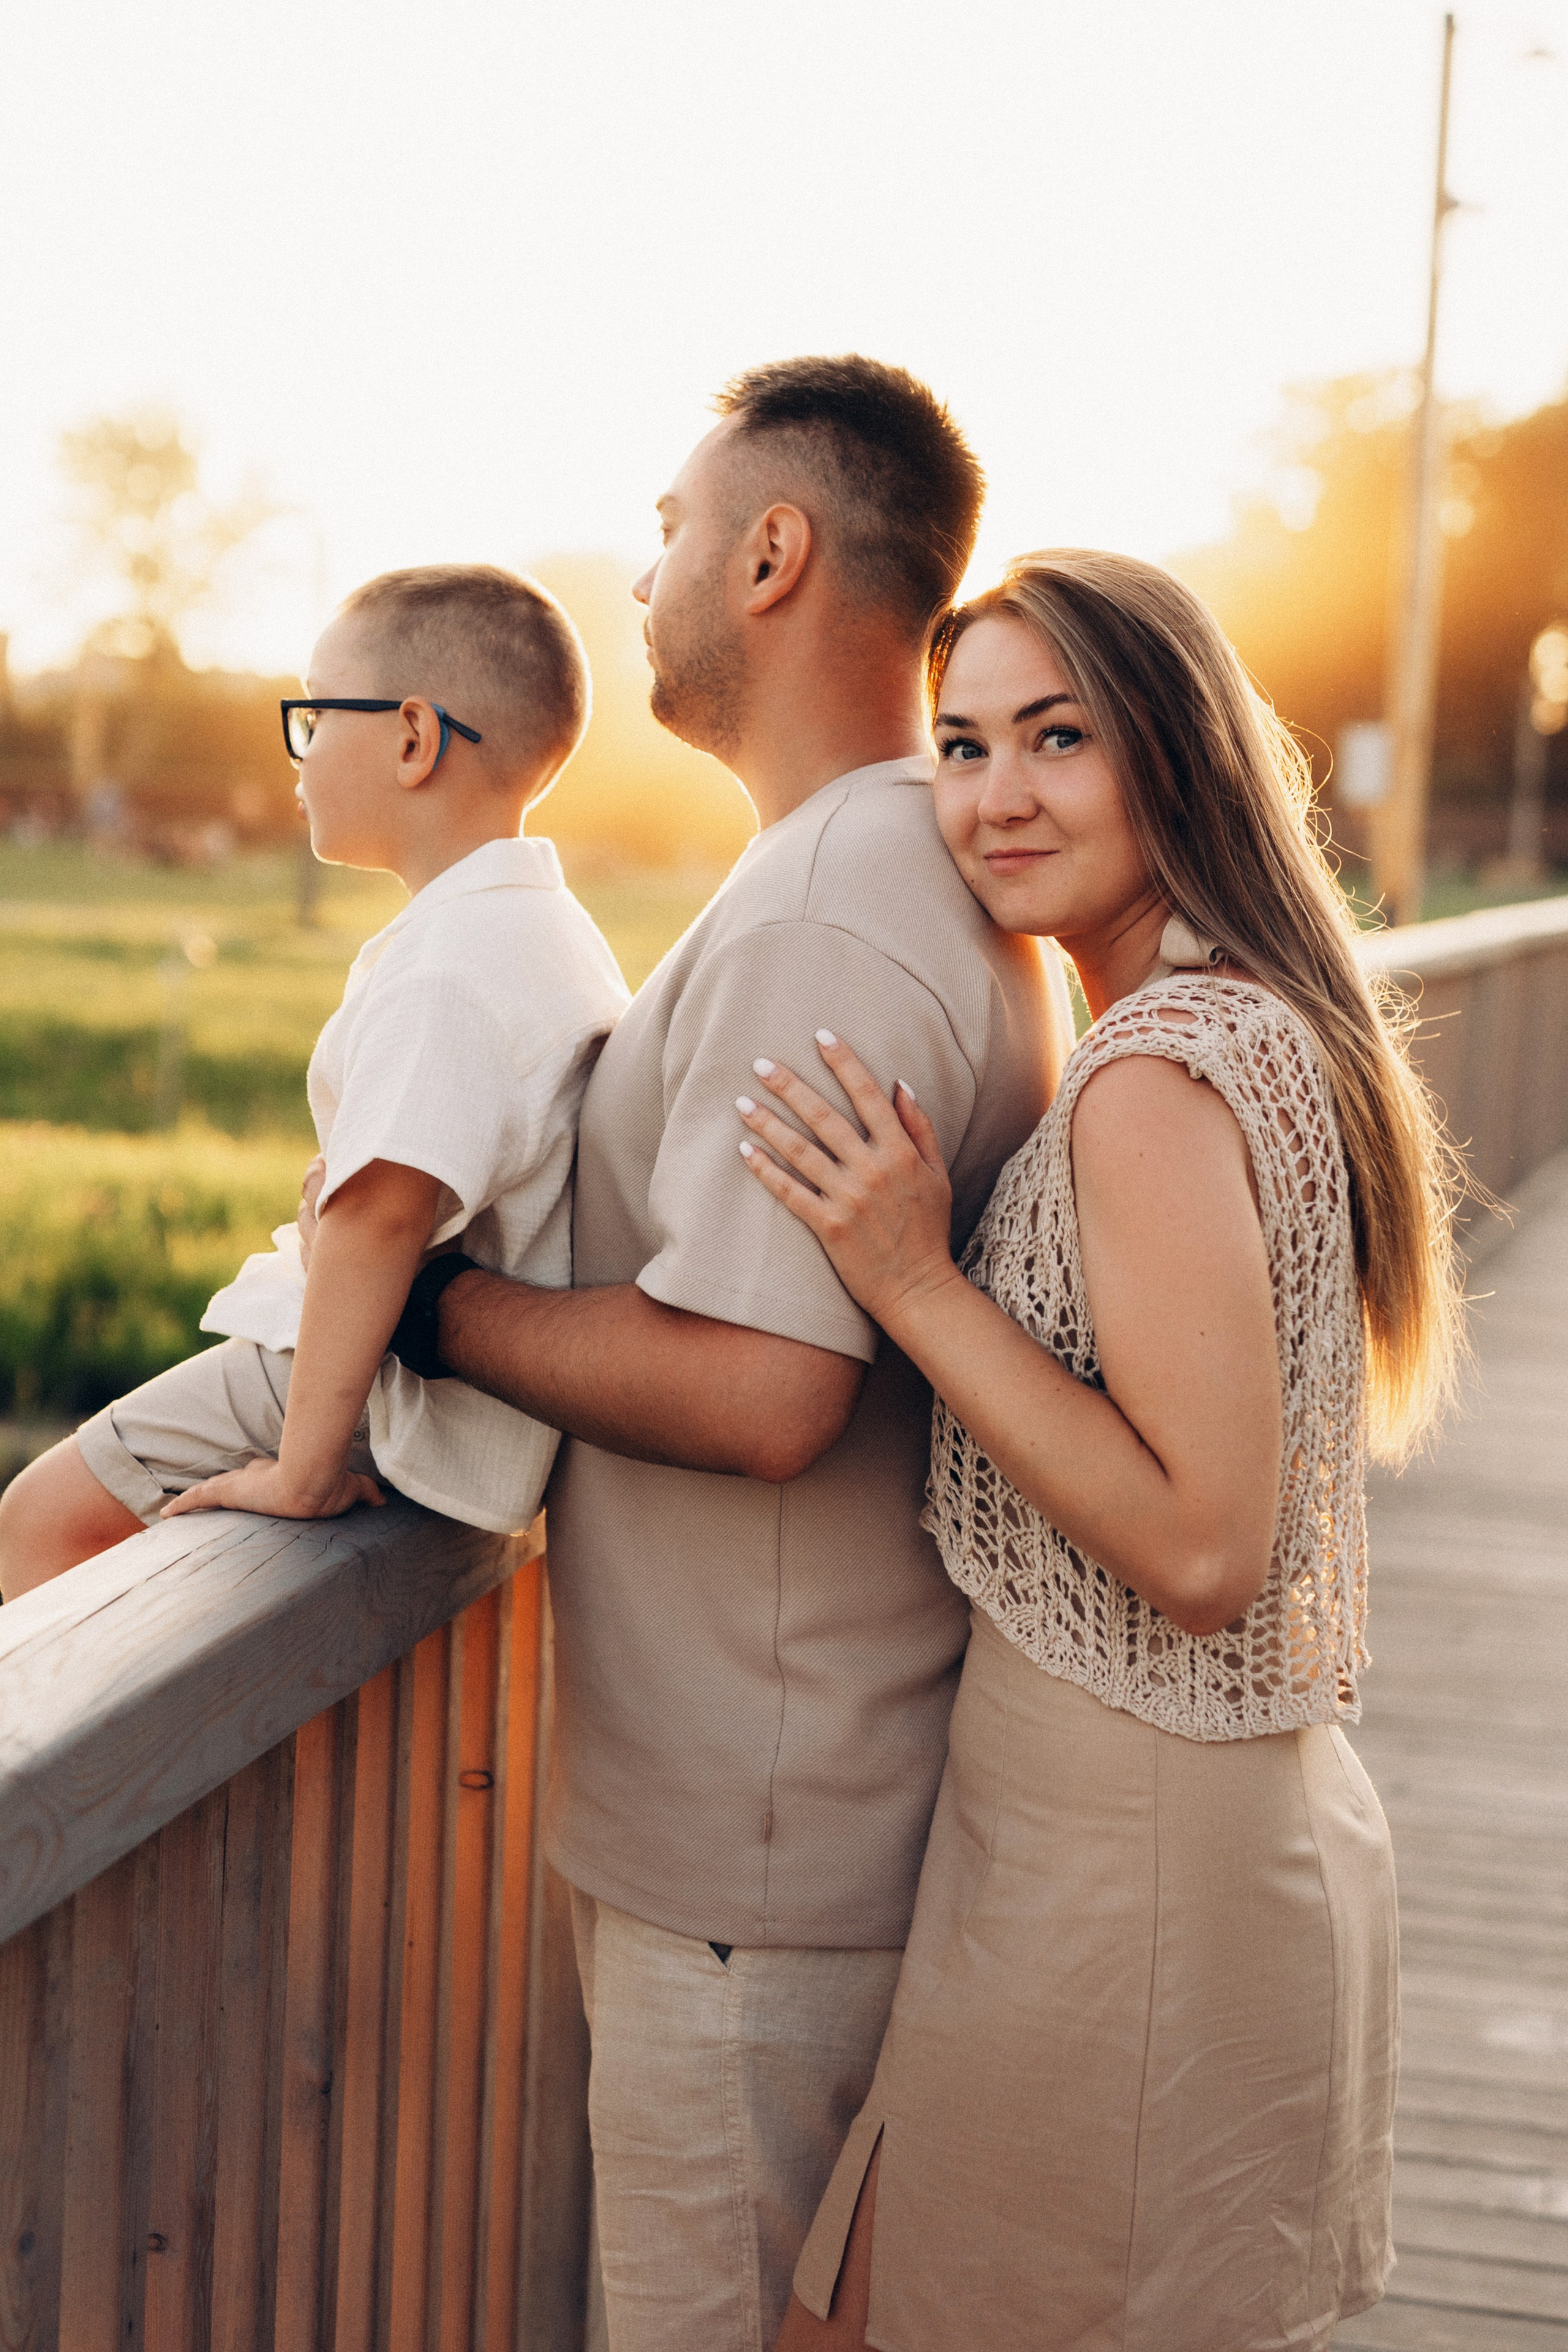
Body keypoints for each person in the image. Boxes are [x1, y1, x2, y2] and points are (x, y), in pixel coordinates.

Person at [356, 359, 1074, 2349]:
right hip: (796, 1816)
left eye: (672, 526)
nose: (649, 564)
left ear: (773, 555)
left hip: (759, 1866)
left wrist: (422, 1305)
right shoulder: (883, 865)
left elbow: (763, 1387)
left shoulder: (836, 901)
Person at [734, 550, 1464, 2351]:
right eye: (963, 746)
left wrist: (908, 1275)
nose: (995, 798)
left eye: (1056, 739)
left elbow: (1206, 1548)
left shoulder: (1155, 1077)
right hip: (1167, 1831)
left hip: (1128, 1866)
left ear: (1175, 750)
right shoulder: (1250, 1020)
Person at [0, 565, 628, 1600]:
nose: (294, 756)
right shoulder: (543, 930)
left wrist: (300, 1471)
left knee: (43, 1521)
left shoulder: (450, 970)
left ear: (412, 739)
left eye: (312, 716)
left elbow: (381, 1217)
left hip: (362, 1381)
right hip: (418, 1377)